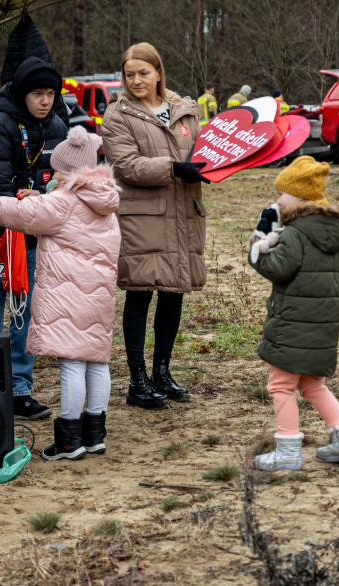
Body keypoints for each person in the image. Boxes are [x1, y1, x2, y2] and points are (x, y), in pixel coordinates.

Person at [0, 127, 119, 460]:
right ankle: (94, 434)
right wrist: (43, 199)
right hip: (98, 297)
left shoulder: (62, 202)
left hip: (68, 297)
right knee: (97, 362)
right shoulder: (105, 199)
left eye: (57, 172)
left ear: (67, 173)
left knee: (71, 365)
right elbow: (54, 213)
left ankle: (68, 440)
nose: (52, 177)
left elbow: (20, 215)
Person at [100, 42, 208, 410]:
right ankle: (137, 379)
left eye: (143, 73)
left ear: (159, 72)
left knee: (174, 292)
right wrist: (175, 168)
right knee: (140, 292)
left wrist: (215, 164)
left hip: (183, 214)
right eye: (129, 75)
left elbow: (203, 151)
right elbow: (127, 165)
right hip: (142, 217)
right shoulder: (117, 116)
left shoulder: (183, 110)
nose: (136, 80)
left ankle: (162, 371)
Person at [247, 156, 339, 471]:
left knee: (280, 385)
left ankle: (287, 450)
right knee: (312, 385)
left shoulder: (296, 233)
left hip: (293, 324)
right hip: (321, 324)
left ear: (299, 198)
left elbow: (278, 269)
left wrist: (259, 244)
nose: (277, 200)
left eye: (282, 194)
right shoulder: (331, 233)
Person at [0, 55, 69, 420]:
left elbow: (65, 185)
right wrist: (25, 198)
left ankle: (18, 389)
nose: (44, 100)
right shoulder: (1, 124)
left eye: (50, 93)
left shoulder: (58, 126)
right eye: (37, 94)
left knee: (23, 316)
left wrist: (42, 199)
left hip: (31, 240)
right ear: (22, 94)